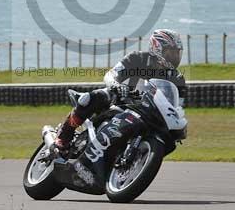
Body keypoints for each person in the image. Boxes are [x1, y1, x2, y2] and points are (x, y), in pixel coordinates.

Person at [54, 29, 186, 153]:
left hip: (149, 112)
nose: (174, 57)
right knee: (91, 98)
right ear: (157, 48)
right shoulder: (137, 58)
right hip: (121, 100)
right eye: (170, 52)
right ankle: (64, 135)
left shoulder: (178, 79)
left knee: (169, 139)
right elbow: (111, 75)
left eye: (176, 53)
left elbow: (177, 107)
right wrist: (116, 85)